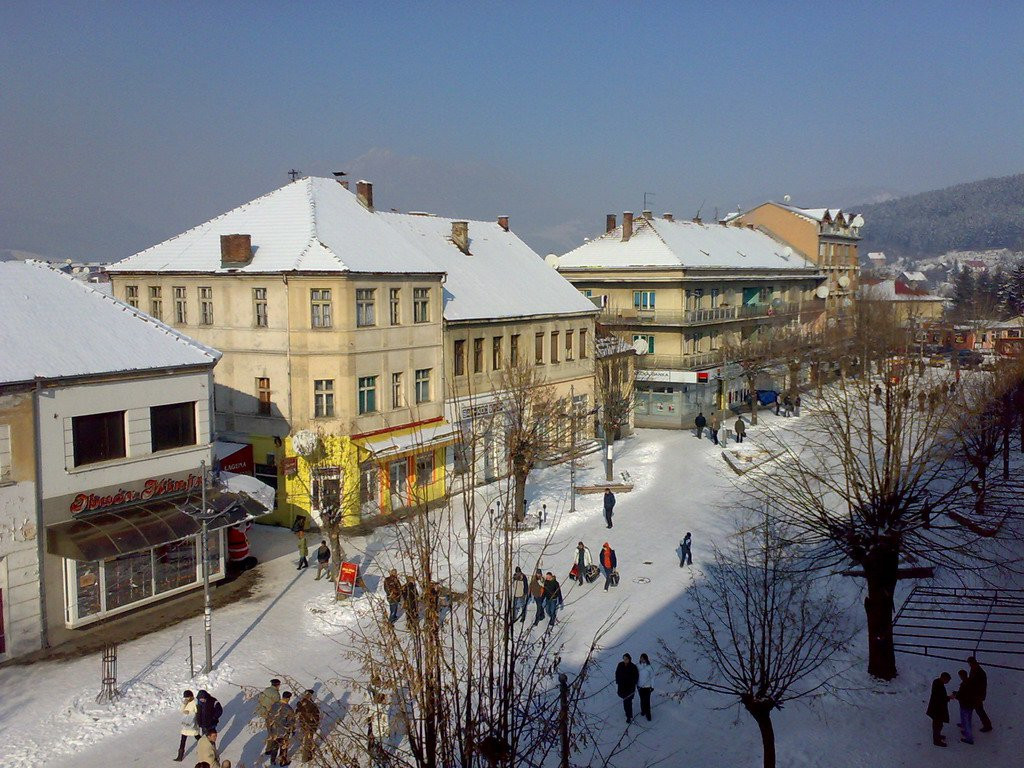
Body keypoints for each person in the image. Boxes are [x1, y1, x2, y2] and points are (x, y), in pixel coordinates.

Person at [266, 690, 296, 765]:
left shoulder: (274, 705)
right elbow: (291, 721)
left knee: (275, 745)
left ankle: (272, 761)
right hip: (283, 731)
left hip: (274, 729)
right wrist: (290, 729)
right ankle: (282, 762)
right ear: (288, 698)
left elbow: (269, 717)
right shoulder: (288, 708)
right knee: (283, 746)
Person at [967, 656, 993, 732]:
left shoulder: (979, 672)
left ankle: (987, 725)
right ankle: (966, 722)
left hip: (977, 695)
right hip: (975, 694)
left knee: (979, 710)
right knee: (972, 708)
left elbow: (981, 685)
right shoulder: (975, 669)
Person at [927, 672, 952, 747]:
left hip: (935, 708)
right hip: (937, 709)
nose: (947, 682)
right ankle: (936, 740)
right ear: (944, 679)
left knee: (938, 724)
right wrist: (949, 697)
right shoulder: (939, 686)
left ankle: (937, 736)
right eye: (947, 680)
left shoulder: (937, 682)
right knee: (937, 725)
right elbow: (941, 698)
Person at [295, 689, 321, 763]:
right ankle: (305, 757)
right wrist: (315, 725)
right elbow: (316, 716)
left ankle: (306, 753)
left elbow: (297, 711)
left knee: (306, 739)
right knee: (308, 740)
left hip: (303, 724)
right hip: (310, 725)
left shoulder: (299, 703)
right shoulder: (312, 705)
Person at [174, 689, 200, 762]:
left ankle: (206, 746)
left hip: (192, 724)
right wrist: (184, 704)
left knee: (197, 737)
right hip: (186, 724)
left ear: (191, 696)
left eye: (187, 697)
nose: (186, 699)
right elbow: (181, 710)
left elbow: (197, 712)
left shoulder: (195, 702)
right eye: (185, 698)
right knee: (183, 740)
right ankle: (180, 756)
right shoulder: (186, 702)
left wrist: (189, 712)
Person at [367, 691, 390, 768]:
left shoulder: (373, 708)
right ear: (383, 700)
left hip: (376, 733)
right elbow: (385, 723)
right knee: (383, 752)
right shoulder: (383, 710)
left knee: (377, 752)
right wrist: (386, 733)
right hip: (382, 734)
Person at [615, 654, 640, 723]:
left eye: (626, 659)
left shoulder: (633, 667)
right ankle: (627, 714)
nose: (625, 660)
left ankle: (629, 716)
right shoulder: (620, 665)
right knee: (625, 701)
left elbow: (636, 677)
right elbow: (617, 673)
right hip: (622, 687)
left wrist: (633, 684)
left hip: (630, 688)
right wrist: (618, 681)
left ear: (629, 659)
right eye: (624, 659)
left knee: (628, 701)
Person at [955, 668, 976, 744]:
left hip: (965, 704)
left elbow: (963, 695)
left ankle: (969, 738)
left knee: (966, 720)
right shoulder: (969, 682)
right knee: (968, 719)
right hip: (970, 704)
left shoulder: (964, 684)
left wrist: (956, 695)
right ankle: (965, 730)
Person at [637, 653, 654, 721]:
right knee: (642, 700)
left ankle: (648, 715)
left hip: (647, 687)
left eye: (643, 658)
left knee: (647, 701)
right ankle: (643, 711)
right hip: (640, 687)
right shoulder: (638, 666)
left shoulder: (649, 667)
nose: (642, 659)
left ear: (646, 659)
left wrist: (652, 686)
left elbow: (652, 677)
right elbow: (636, 676)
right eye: (641, 658)